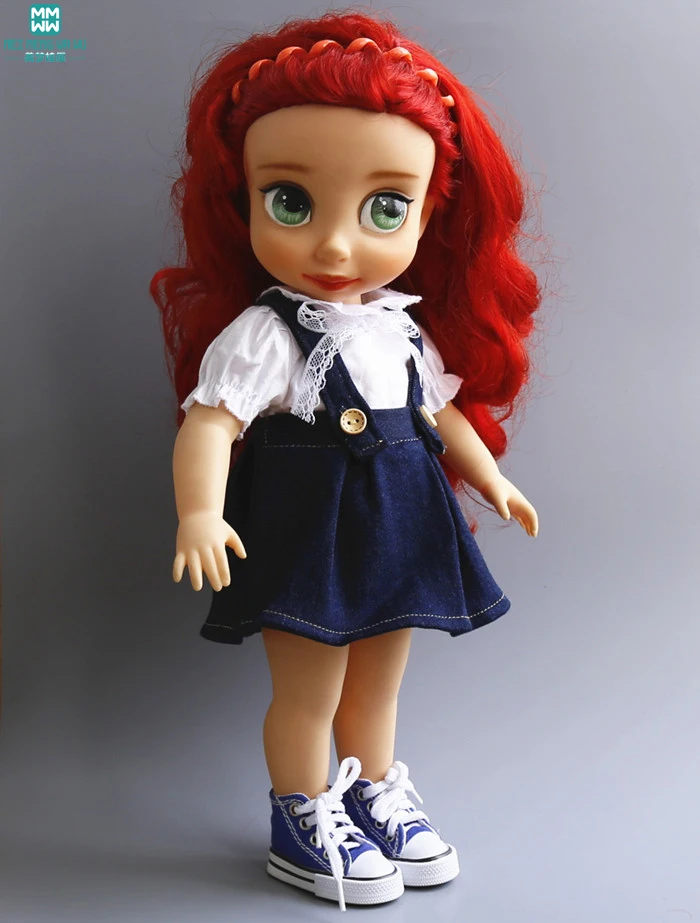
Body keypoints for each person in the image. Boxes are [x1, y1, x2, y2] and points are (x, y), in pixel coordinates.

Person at [150, 9, 541, 911]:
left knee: (377, 685)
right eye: (290, 201)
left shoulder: (398, 330)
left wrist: (490, 477)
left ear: (426, 213)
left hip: (397, 529)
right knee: (309, 690)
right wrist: (199, 511)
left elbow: (439, 413)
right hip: (306, 537)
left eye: (384, 208)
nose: (334, 245)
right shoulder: (266, 333)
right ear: (244, 201)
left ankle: (373, 795)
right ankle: (302, 810)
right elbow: (210, 424)